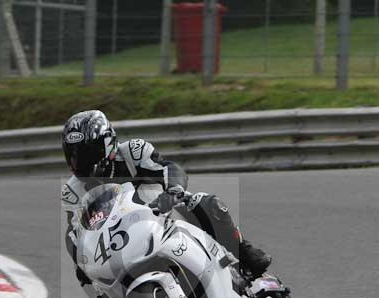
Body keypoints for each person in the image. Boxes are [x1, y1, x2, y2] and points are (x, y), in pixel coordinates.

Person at [61, 109, 271, 286]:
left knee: (206, 202)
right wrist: (81, 262)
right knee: (93, 282)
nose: (79, 163)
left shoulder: (133, 153)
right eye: (73, 156)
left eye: (86, 154)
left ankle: (244, 253)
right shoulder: (72, 192)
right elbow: (73, 234)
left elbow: (170, 168)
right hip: (121, 241)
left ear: (107, 144)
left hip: (164, 212)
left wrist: (173, 191)